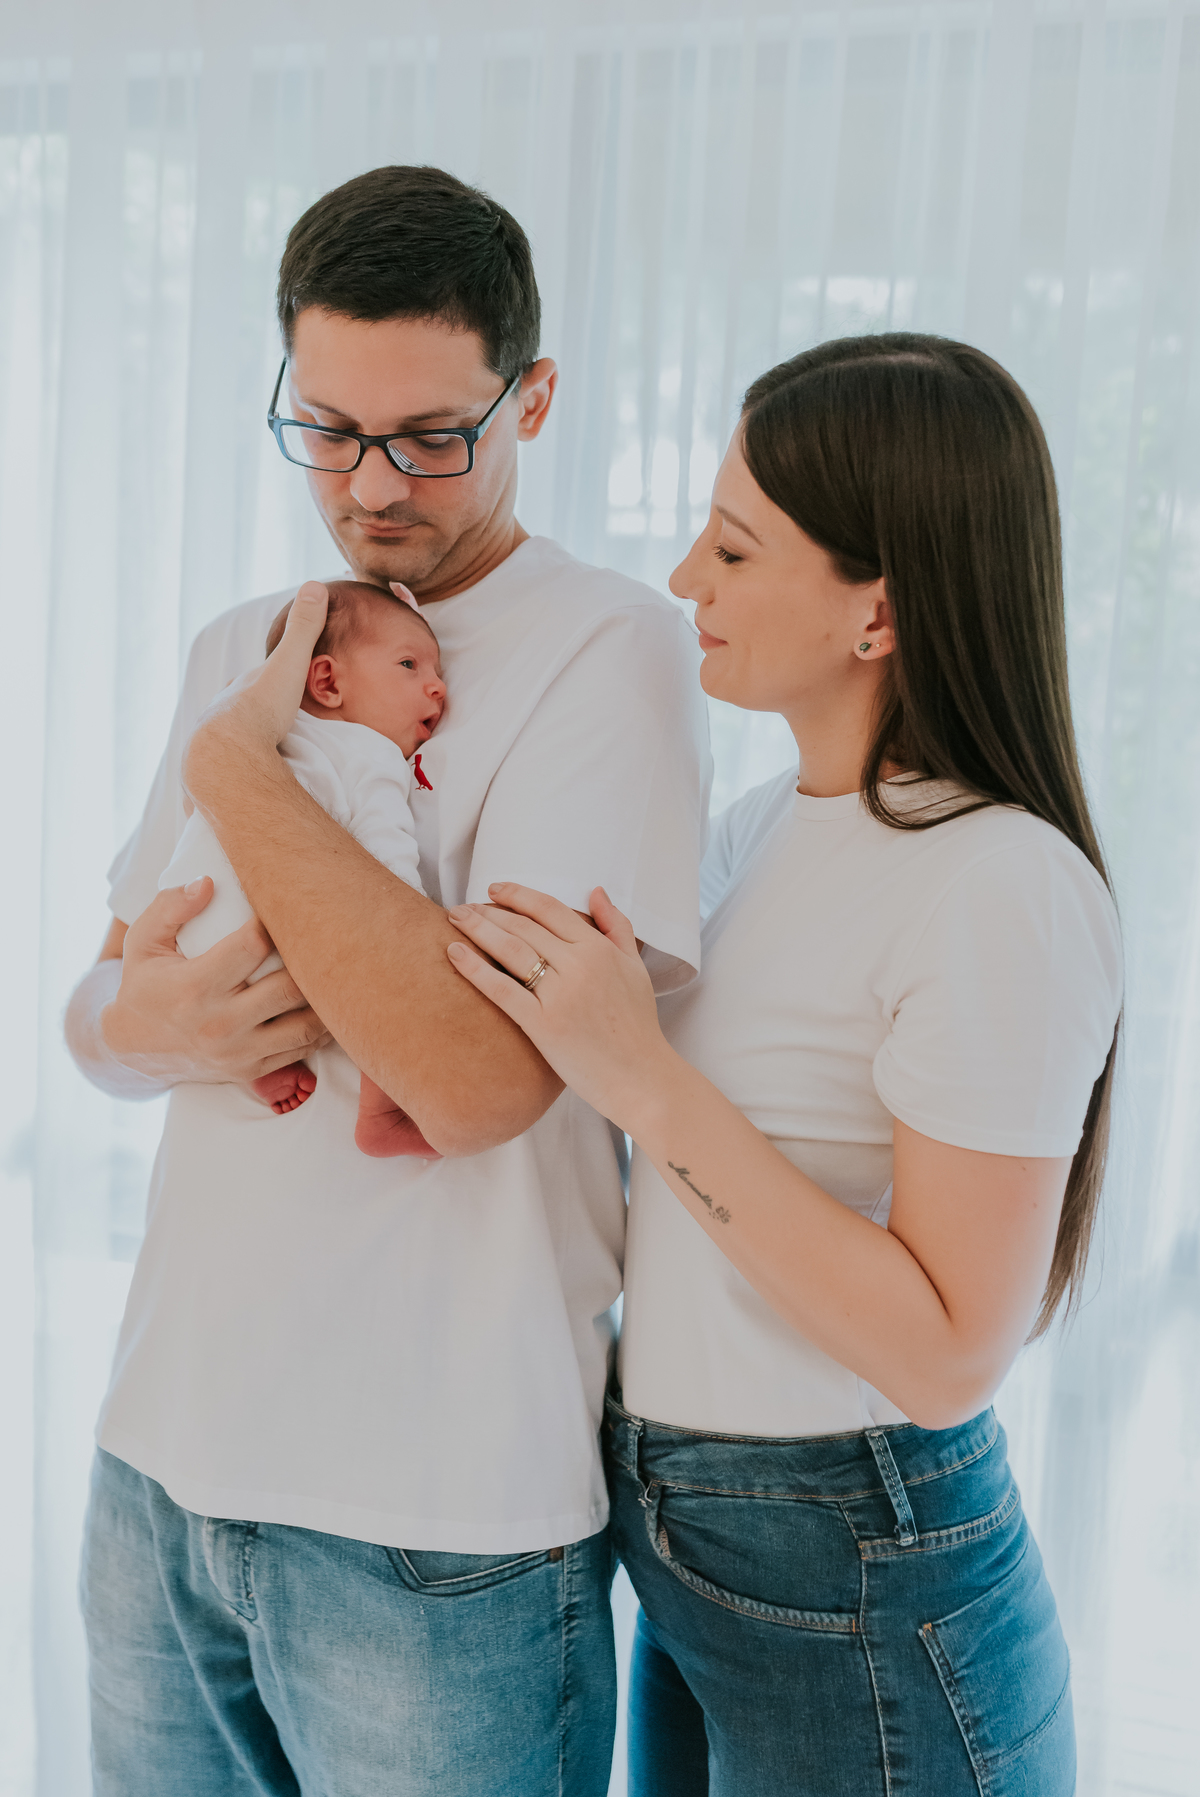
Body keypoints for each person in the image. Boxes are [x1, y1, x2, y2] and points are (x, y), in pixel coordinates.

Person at [66, 165, 711, 1797]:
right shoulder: (245, 638)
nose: (372, 484)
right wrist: (134, 1026)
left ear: (533, 398)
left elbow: (482, 1081)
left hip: (438, 1524)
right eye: (328, 427)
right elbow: (109, 1002)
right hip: (162, 1476)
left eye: (430, 434)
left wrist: (247, 769)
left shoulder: (607, 646)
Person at [440, 334, 1123, 1795]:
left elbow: (949, 1351)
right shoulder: (754, 832)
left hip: (855, 1569)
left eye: (736, 547)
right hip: (697, 1542)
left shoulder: (1000, 881)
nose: (686, 578)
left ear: (878, 610)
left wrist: (642, 1077)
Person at [160, 579, 446, 1156]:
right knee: (390, 980)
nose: (437, 687)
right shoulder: (369, 753)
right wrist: (420, 935)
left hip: (186, 926)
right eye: (410, 665)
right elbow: (388, 861)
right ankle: (382, 1109)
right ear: (326, 681)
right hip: (267, 933)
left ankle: (254, 1065)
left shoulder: (259, 729)